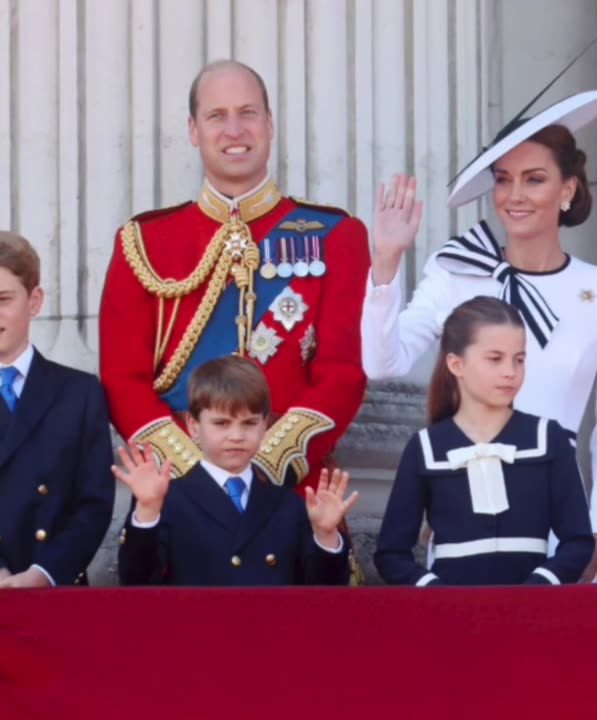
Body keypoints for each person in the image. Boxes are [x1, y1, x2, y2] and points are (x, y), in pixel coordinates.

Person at [362, 84, 597, 583]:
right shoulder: (457, 270)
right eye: (504, 180)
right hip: (464, 522)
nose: (515, 196)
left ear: (567, 188)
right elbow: (383, 363)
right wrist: (385, 265)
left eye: (534, 179)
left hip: (560, 527)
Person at [98, 59, 370, 498]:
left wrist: (265, 468)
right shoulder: (143, 241)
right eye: (216, 116)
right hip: (178, 495)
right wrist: (193, 475)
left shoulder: (336, 236)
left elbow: (343, 374)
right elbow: (122, 378)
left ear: (269, 123)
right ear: (193, 130)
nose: (234, 130)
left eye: (248, 113)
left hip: (291, 494)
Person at [374, 297, 593, 586]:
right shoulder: (426, 448)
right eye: (495, 358)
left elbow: (578, 541)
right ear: (456, 364)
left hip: (533, 616)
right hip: (454, 619)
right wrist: (436, 592)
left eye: (519, 359)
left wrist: (540, 586)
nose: (510, 372)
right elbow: (391, 554)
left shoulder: (547, 438)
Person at [115, 356, 358, 586]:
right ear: (193, 425)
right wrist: (146, 512)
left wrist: (326, 536)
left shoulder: (289, 505)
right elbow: (137, 582)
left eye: (249, 423)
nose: (236, 436)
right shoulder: (167, 500)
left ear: (265, 426)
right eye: (221, 423)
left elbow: (323, 596)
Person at [0, 232, 113, 588]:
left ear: (34, 301)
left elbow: (94, 502)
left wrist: (44, 574)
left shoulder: (79, 393)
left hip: (56, 589)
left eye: (3, 299)